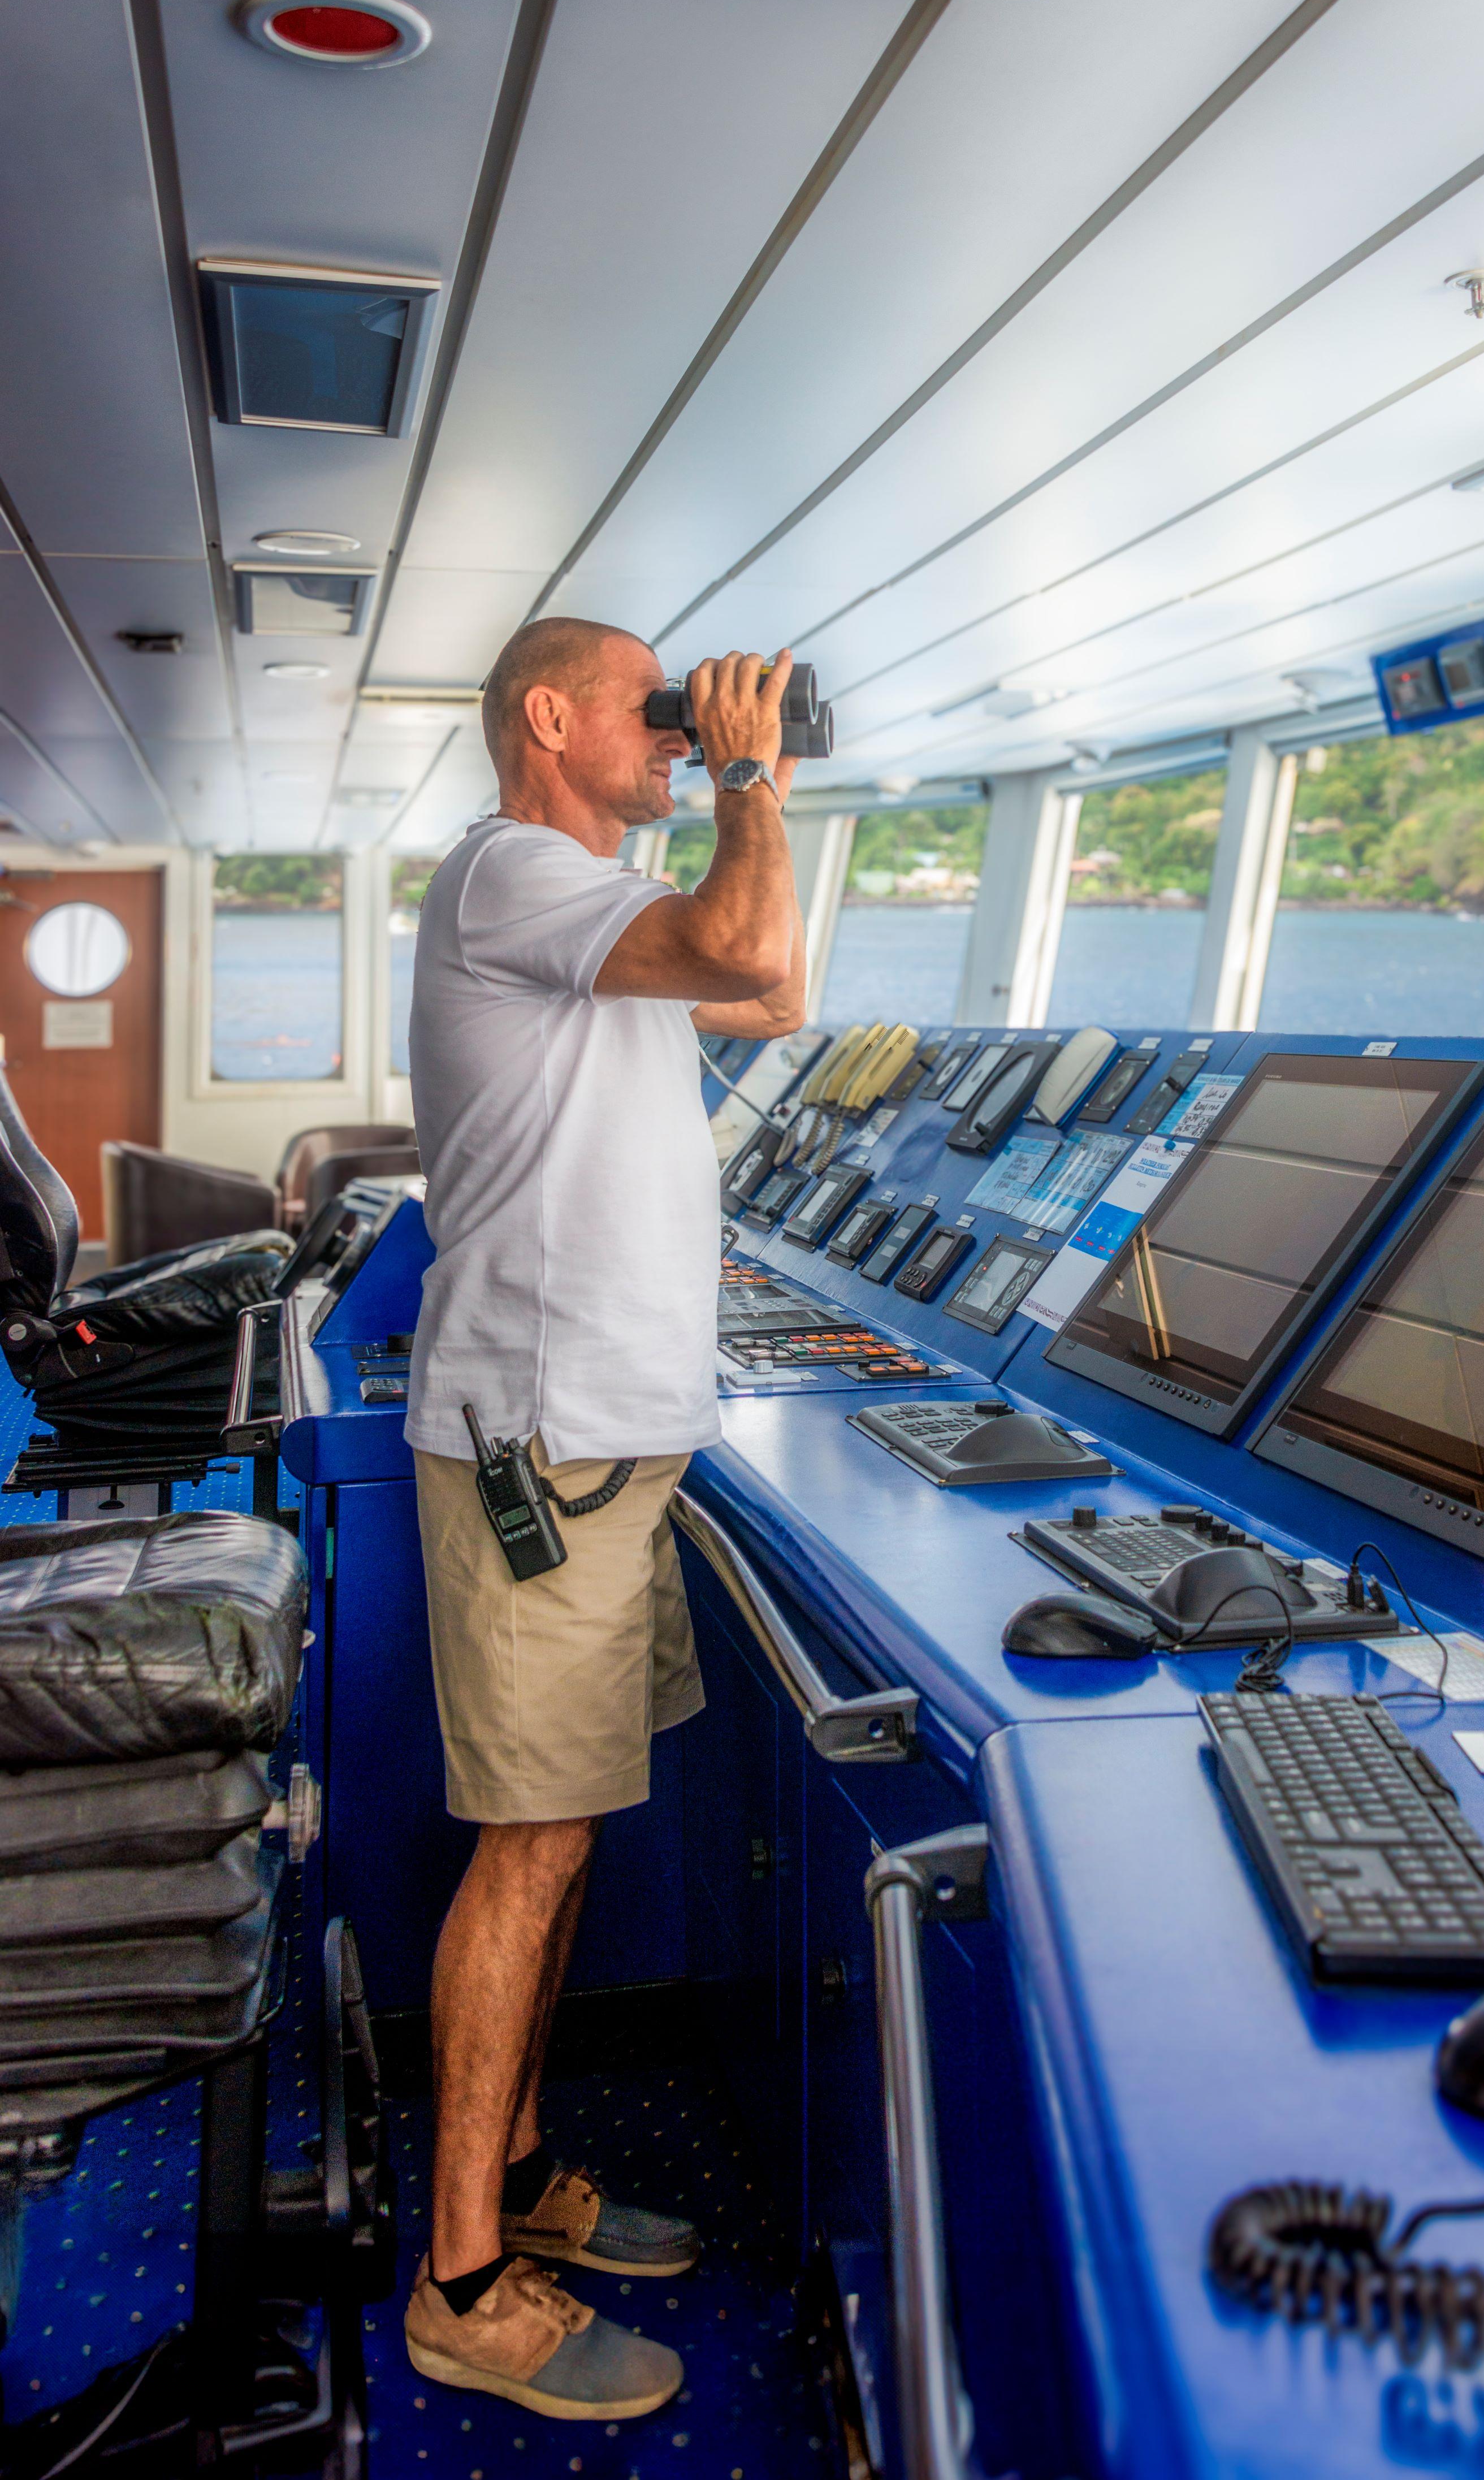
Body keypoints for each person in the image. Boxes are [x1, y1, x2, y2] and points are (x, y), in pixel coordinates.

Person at [399, 620, 804, 2418]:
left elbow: (772, 988)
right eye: (641, 705)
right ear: (551, 721)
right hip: (541, 1448)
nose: (665, 731)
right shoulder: (517, 872)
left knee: (564, 1839)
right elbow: (738, 931)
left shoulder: (594, 919)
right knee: (530, 1849)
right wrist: (744, 776)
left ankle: (526, 2177)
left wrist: (740, 792)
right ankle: (459, 2280)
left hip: (617, 1444)